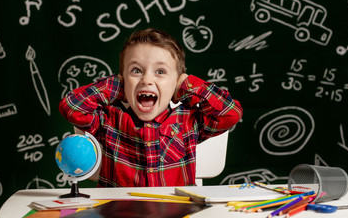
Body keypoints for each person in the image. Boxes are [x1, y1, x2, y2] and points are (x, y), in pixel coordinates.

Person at [59, 28, 243, 187]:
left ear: (176, 83)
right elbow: (71, 107)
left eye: (161, 72)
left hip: (175, 211)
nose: (146, 80)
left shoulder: (188, 121)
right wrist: (116, 85)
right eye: (136, 71)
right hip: (119, 212)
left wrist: (188, 86)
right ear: (123, 80)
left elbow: (231, 113)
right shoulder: (108, 119)